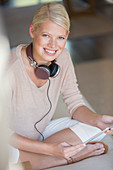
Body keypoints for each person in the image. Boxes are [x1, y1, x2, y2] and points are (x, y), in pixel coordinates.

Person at [7, 2, 113, 170]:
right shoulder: (9, 67)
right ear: (32, 31)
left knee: (95, 127)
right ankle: (64, 157)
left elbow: (75, 102)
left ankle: (30, 161)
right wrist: (50, 149)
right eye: (46, 35)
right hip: (10, 140)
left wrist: (97, 120)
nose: (53, 45)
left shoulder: (63, 57)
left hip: (42, 133)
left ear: (67, 36)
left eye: (60, 37)